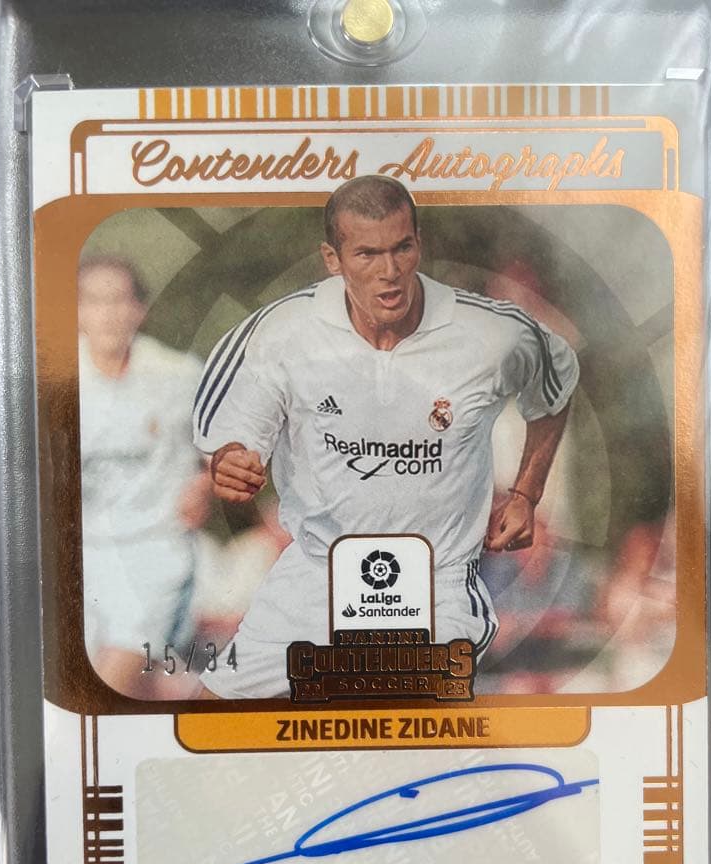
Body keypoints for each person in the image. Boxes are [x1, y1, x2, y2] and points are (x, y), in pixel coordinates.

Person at [192, 175, 579, 699]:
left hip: (436, 581)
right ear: (333, 259)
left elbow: (556, 380)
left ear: (419, 244)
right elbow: (232, 439)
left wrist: (526, 494)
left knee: (402, 716)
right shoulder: (283, 333)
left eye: (401, 248)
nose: (389, 271)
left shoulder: (486, 332)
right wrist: (230, 462)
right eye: (367, 254)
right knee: (209, 713)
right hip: (318, 573)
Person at [79, 255, 212, 697]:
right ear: (77, 311)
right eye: (95, 301)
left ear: (140, 309)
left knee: (108, 685)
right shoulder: (56, 379)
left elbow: (228, 449)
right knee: (130, 689)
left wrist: (205, 485)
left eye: (120, 300)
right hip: (84, 555)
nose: (109, 314)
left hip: (158, 549)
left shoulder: (178, 373)